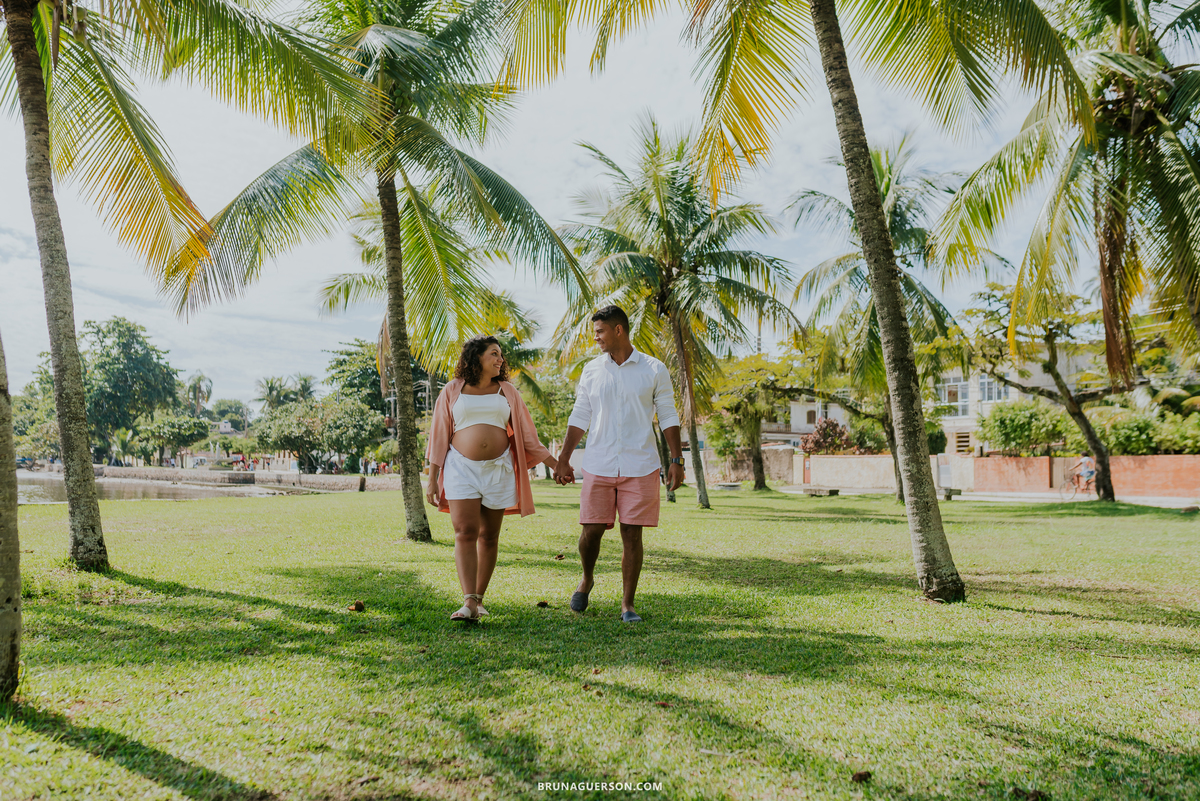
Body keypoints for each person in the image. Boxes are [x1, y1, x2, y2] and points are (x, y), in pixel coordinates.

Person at [554, 305, 685, 623]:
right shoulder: (592, 370)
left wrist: (676, 459)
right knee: (592, 530)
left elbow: (667, 414)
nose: (595, 337)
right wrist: (563, 458)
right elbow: (580, 415)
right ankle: (587, 578)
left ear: (618, 330)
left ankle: (627, 604)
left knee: (632, 534)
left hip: (640, 463)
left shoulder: (654, 369)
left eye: (599, 331)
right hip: (599, 462)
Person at [426, 335, 559, 622]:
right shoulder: (452, 390)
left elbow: (527, 437)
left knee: (489, 536)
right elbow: (439, 435)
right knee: (464, 532)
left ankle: (478, 599)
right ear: (476, 358)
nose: (500, 359)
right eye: (494, 354)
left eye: (501, 355)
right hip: (461, 467)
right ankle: (468, 600)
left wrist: (556, 464)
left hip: (499, 469)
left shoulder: (508, 391)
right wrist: (432, 477)